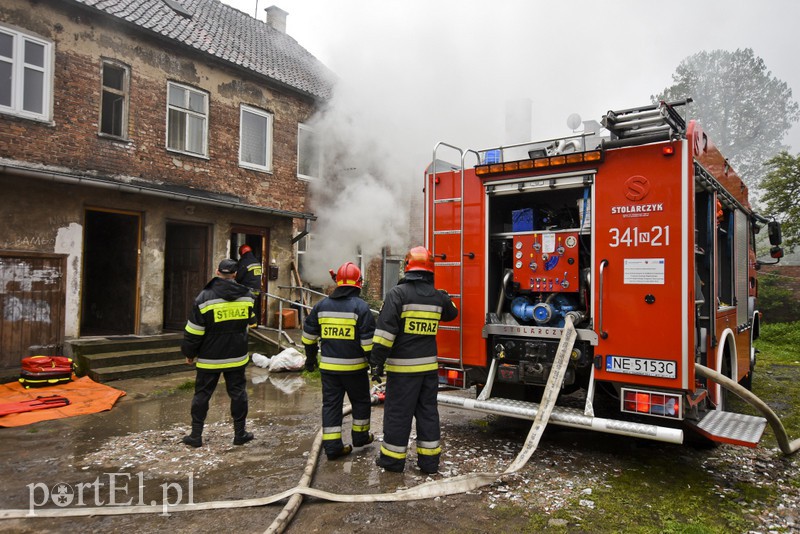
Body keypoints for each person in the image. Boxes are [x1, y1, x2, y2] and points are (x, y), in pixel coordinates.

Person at [371, 246, 458, 474]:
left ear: (407, 268)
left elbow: (384, 335)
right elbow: (452, 313)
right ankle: (429, 464)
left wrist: (376, 363)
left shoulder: (397, 294)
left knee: (398, 414)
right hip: (429, 370)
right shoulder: (438, 297)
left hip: (402, 371)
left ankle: (392, 461)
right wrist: (447, 297)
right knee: (428, 413)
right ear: (430, 270)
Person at [301, 262, 376, 460]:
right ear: (358, 283)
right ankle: (360, 437)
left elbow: (308, 337)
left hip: (329, 370)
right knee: (360, 402)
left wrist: (310, 360)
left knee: (331, 406)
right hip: (355, 369)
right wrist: (376, 366)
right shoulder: (361, 307)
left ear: (338, 282)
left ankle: (333, 447)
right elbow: (368, 344)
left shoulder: (321, 306)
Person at [181, 258, 257, 448]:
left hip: (210, 358)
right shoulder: (247, 296)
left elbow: (194, 332)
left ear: (217, 272)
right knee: (238, 394)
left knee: (202, 395)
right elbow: (251, 322)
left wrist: (189, 353)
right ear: (235, 274)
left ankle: (196, 436)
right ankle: (240, 434)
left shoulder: (204, 297)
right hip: (237, 356)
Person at [236, 244, 263, 323]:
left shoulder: (245, 262)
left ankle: (248, 323)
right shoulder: (256, 261)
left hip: (247, 290)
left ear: (242, 252)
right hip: (257, 290)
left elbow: (239, 277)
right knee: (254, 306)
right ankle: (255, 323)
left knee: (246, 307)